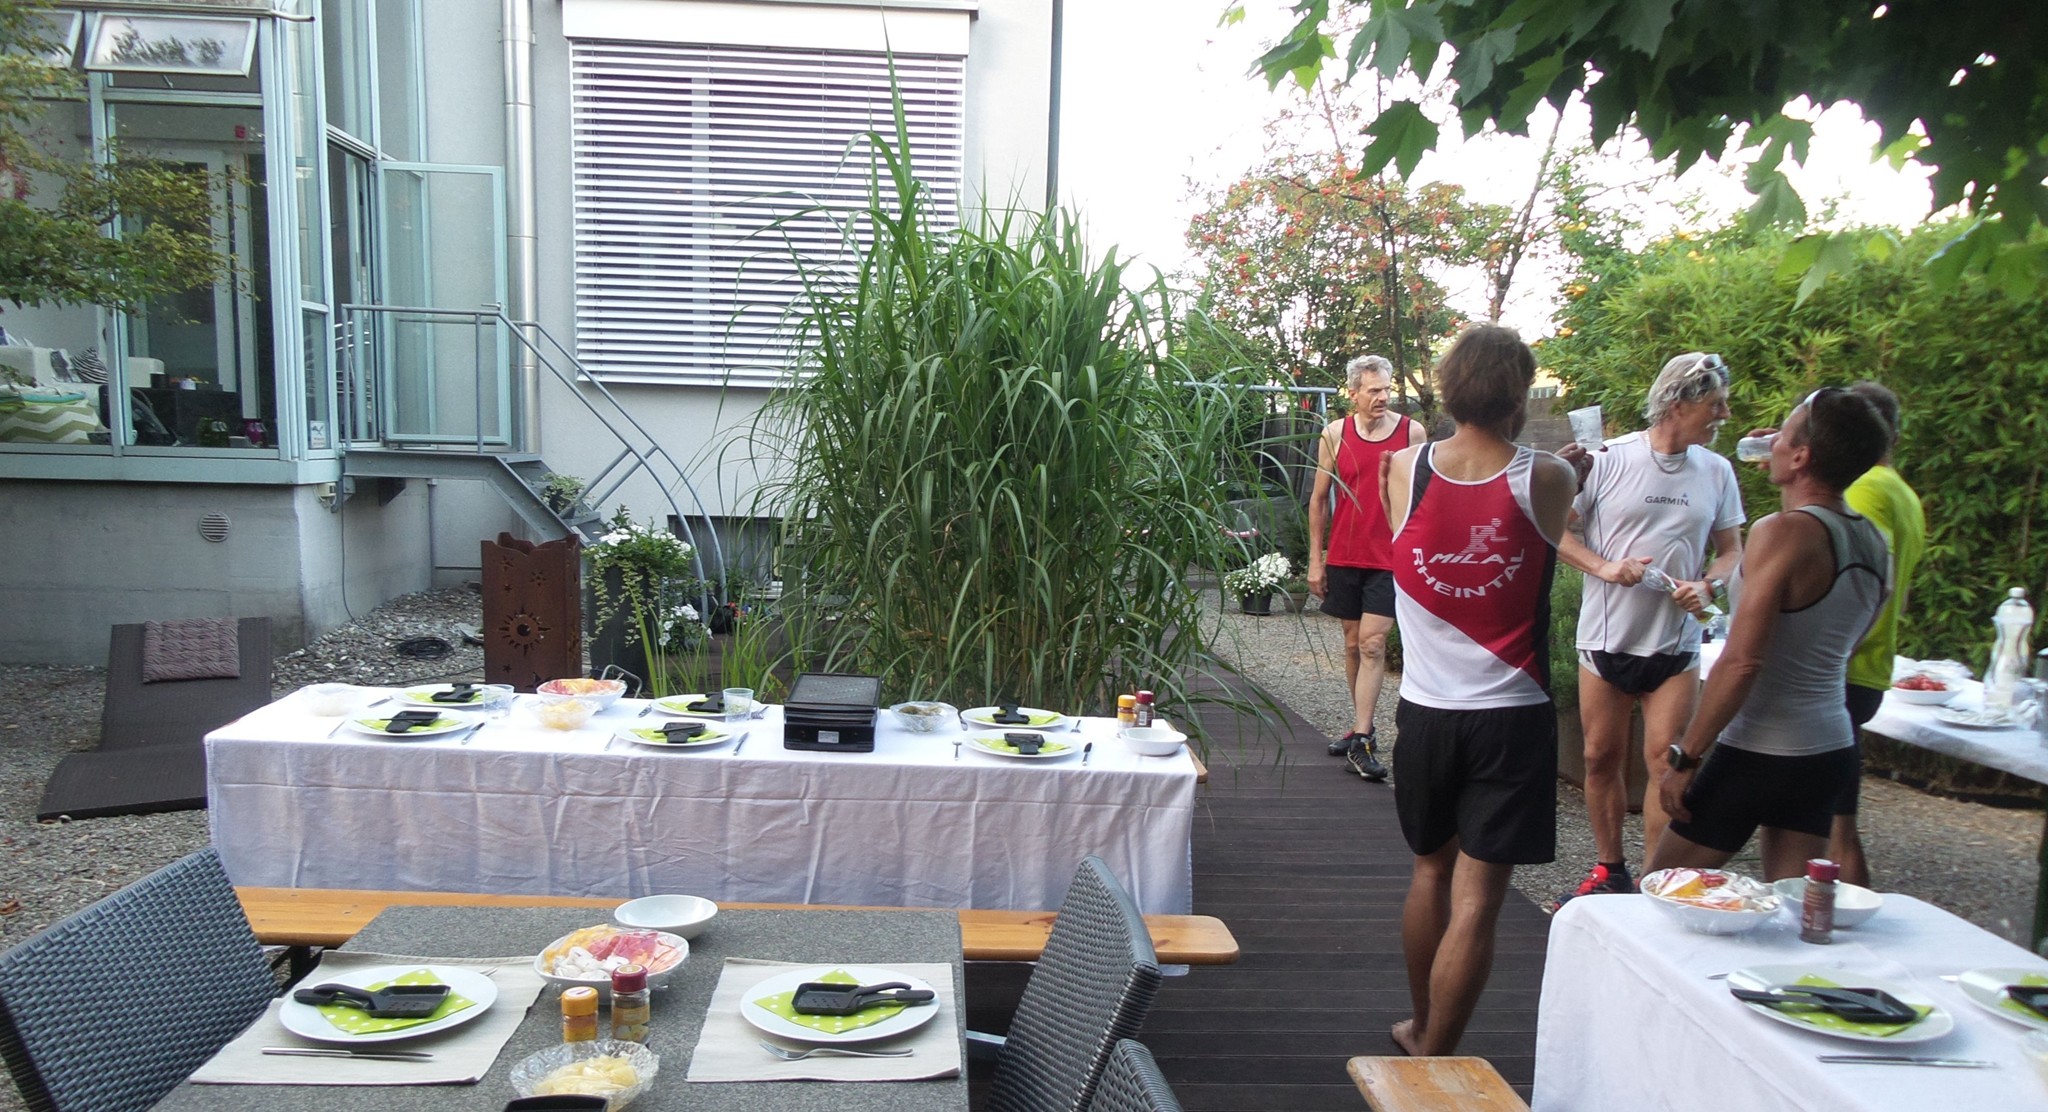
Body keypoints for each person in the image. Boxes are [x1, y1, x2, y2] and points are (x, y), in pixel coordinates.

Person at [1382, 325, 1575, 1056]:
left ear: (1448, 387)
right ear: (1519, 395)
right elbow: (1558, 524)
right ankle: (1436, 1053)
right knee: (1479, 898)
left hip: (1427, 714)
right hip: (1512, 717)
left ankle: (1419, 1024)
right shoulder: (1548, 477)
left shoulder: (1406, 467)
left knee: (1429, 870)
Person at [1651, 387, 1892, 880]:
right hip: (1828, 745)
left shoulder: (1780, 533)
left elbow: (1742, 661)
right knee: (1794, 907)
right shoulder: (1873, 539)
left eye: (1783, 432)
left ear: (1802, 455)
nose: (1769, 439)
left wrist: (1686, 757)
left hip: (1761, 746)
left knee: (1661, 890)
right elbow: (1854, 635)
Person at [1552, 353, 1745, 905]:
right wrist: (1606, 567)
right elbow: (1556, 533)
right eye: (1714, 405)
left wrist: (1709, 586)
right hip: (1605, 641)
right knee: (1598, 758)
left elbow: (1732, 550)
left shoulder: (1716, 470)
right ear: (1677, 405)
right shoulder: (1608, 459)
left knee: (1665, 764)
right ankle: (1609, 868)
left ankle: (1653, 884)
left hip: (1676, 645)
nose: (1724, 414)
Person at [1307, 354, 1427, 781]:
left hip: (1389, 557)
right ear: (1353, 393)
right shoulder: (1334, 433)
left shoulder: (1411, 432)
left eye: (1386, 389)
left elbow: (1421, 499)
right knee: (1354, 643)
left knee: (1374, 643)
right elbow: (1319, 500)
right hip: (1345, 554)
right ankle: (1363, 725)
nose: (1381, 397)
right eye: (1372, 390)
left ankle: (1361, 740)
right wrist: (1315, 560)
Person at [1833, 382, 1924, 886]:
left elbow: (1867, 586)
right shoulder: (1904, 493)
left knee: (1836, 824)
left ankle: (1850, 918)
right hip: (1872, 669)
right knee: (1833, 814)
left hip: (1843, 671)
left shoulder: (1865, 487)